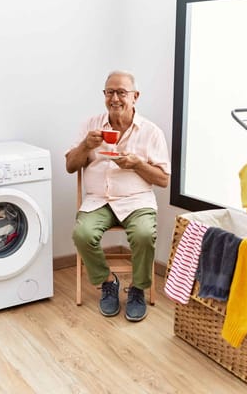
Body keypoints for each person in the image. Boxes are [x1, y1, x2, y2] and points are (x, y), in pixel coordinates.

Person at [65, 70, 171, 322]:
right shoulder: (90, 126)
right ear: (104, 95)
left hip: (137, 201)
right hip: (99, 199)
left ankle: (138, 288)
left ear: (135, 96)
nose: (115, 98)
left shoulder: (151, 132)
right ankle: (107, 282)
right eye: (109, 92)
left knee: (144, 235)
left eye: (121, 92)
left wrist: (136, 165)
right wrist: (85, 147)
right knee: (82, 234)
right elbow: (71, 166)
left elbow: (164, 180)